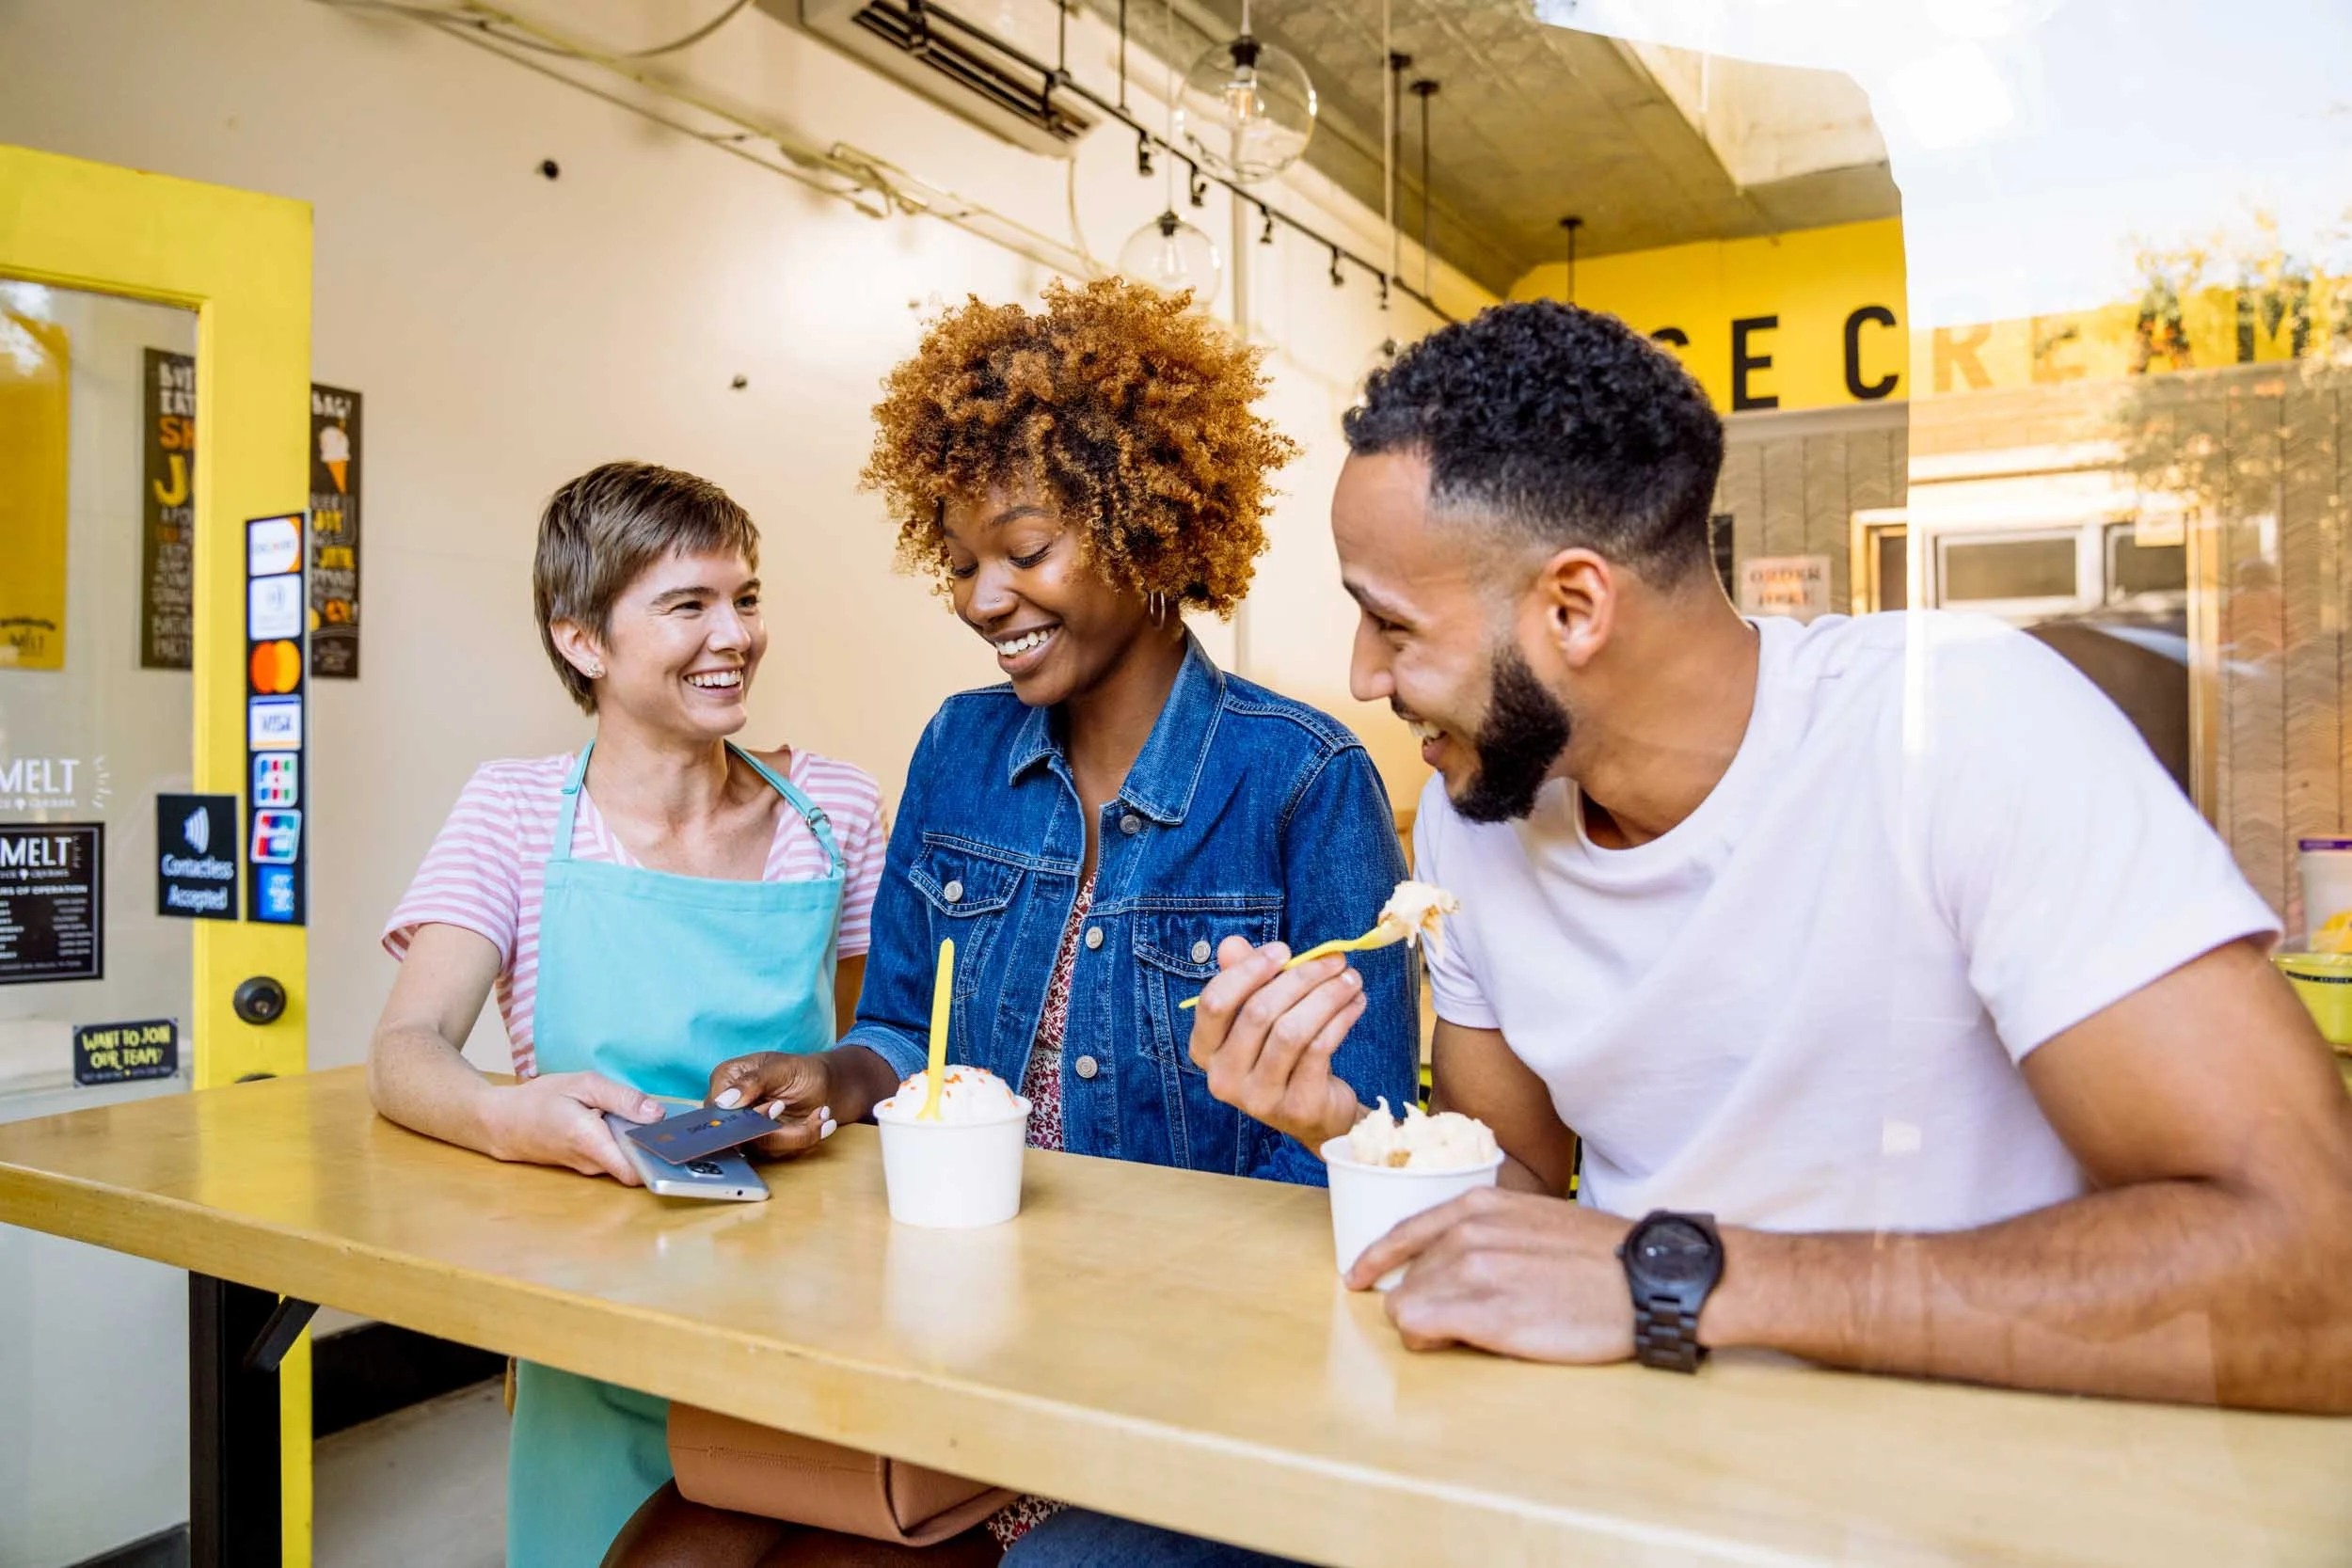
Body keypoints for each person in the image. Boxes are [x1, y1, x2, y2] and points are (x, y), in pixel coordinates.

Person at [1186, 299, 2352, 1413]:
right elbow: (1527, 1206)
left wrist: (1675, 1280)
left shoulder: (1964, 728)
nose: (1361, 677)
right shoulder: (1474, 817)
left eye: (1390, 622)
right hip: (1635, 1464)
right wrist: (1352, 1130)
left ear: (1575, 608)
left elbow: (2317, 1275)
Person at [604, 278, 1422, 1567]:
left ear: (1146, 527)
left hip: (1182, 1381)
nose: (985, 597)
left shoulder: (1303, 779)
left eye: (1025, 550)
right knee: (672, 1543)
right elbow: (898, 1026)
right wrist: (834, 1072)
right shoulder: (961, 748)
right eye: (963, 562)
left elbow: (1367, 1156)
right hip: (949, 1327)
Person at [368, 462, 890, 1568]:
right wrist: (510, 1117)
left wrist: (831, 1090)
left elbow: (878, 1045)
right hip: (592, 1313)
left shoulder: (833, 808)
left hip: (803, 1316)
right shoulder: (514, 812)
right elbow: (406, 1051)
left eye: (745, 597)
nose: (734, 634)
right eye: (687, 604)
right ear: (583, 641)